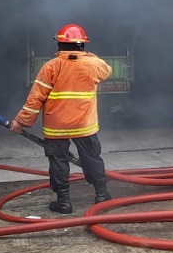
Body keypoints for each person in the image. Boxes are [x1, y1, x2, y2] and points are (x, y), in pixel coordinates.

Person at [9, 24, 112, 214]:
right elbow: (107, 70)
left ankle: (63, 202)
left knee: (58, 162)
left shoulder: (50, 67)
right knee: (91, 158)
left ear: (59, 44)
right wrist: (86, 55)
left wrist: (20, 121)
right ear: (82, 45)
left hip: (56, 126)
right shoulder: (93, 64)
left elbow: (35, 98)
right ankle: (101, 195)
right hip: (84, 124)